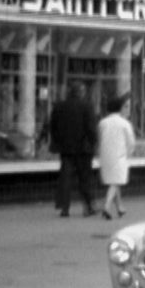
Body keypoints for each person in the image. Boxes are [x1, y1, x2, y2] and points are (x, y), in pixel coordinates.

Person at [49, 81, 98, 218]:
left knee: (65, 179)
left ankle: (64, 208)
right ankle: (88, 207)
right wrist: (94, 143)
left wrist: (57, 142)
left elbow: (53, 126)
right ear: (81, 93)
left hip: (66, 149)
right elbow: (90, 128)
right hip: (83, 149)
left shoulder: (59, 106)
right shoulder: (87, 106)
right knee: (85, 178)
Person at [98, 92, 135, 220]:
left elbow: (99, 138)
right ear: (120, 108)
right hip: (120, 156)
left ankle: (120, 207)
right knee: (115, 182)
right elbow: (131, 142)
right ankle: (107, 206)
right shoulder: (125, 123)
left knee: (114, 181)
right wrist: (129, 153)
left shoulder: (103, 123)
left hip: (105, 155)